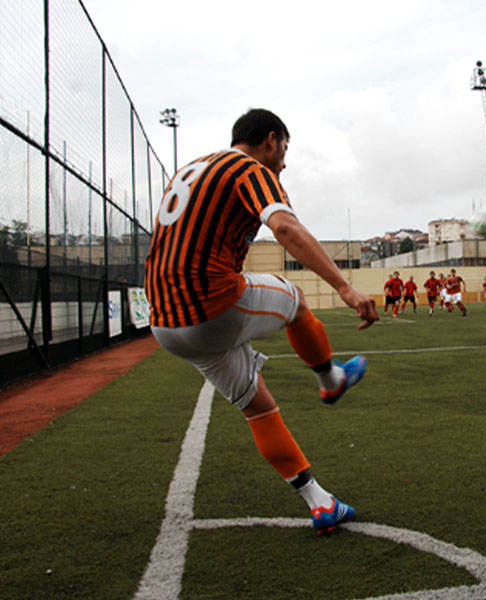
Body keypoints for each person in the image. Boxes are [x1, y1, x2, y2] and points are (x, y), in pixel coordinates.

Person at [144, 108, 378, 535]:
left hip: (164, 323)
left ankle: (321, 503)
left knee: (259, 407)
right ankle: (331, 380)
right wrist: (346, 288)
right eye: (285, 149)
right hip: (210, 304)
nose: (285, 161)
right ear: (270, 139)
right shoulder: (246, 167)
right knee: (296, 300)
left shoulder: (193, 168)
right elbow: (284, 227)